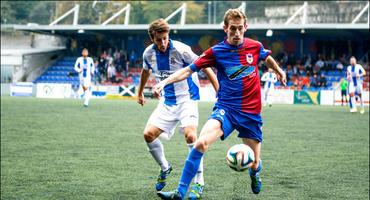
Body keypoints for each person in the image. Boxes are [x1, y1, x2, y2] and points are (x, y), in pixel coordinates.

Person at [154, 9, 286, 199]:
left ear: (245, 28)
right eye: (233, 29)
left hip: (251, 114)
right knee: (200, 142)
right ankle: (180, 192)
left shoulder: (254, 46)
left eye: (240, 29)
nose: (237, 33)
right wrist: (164, 82)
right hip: (227, 109)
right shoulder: (216, 52)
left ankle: (255, 172)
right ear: (225, 28)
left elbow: (266, 57)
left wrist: (278, 70)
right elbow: (188, 70)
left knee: (255, 162)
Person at [137, 18, 219, 199]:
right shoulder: (148, 54)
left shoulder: (182, 50)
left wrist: (218, 90)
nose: (163, 42)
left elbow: (205, 66)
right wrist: (140, 92)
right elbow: (145, 71)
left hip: (187, 99)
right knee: (147, 134)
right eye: (159, 39)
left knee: (191, 136)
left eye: (165, 38)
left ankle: (199, 183)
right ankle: (165, 167)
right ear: (152, 38)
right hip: (167, 101)